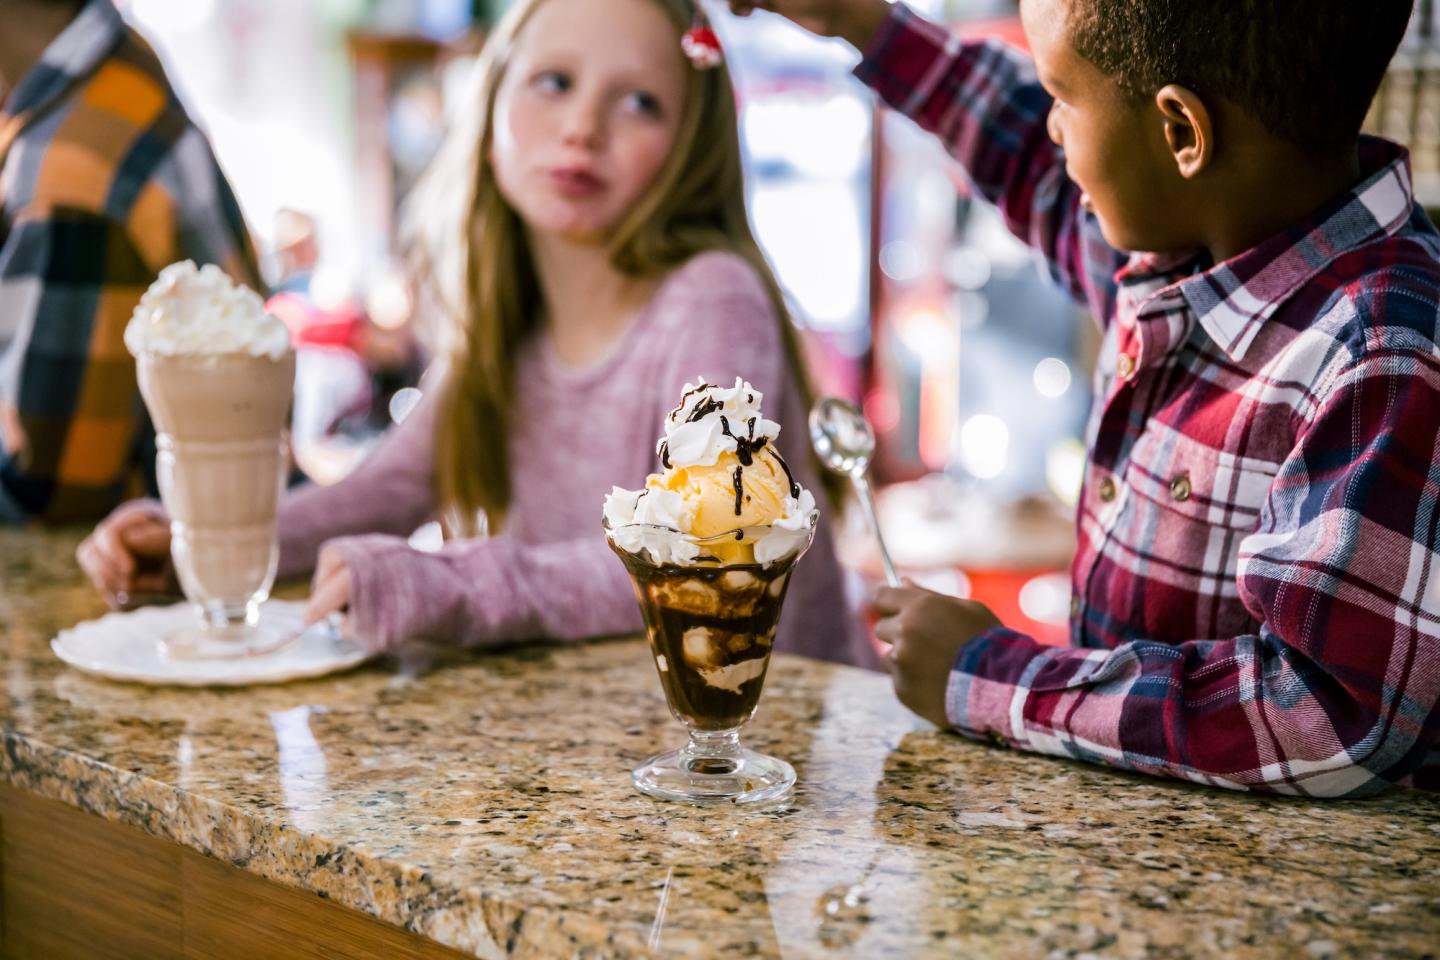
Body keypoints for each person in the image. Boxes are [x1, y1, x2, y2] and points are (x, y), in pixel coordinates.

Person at [734, 0, 1440, 795]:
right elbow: (1016, 150)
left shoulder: (1383, 354)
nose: (1052, 131)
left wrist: (991, 676)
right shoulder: (1186, 246)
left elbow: (1331, 713)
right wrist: (859, 20)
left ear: (1180, 132)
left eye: (1063, 97)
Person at [78, 0, 879, 670]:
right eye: (553, 83)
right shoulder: (509, 322)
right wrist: (205, 545)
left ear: (693, 152)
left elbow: (701, 548)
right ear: (489, 108)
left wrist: (449, 583)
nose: (583, 126)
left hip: (772, 749)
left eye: (641, 102)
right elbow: (383, 493)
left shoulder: (711, 298)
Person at [0, 0, 263, 524]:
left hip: (144, 565)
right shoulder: (117, 66)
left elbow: (52, 491)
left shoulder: (69, 171)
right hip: (226, 528)